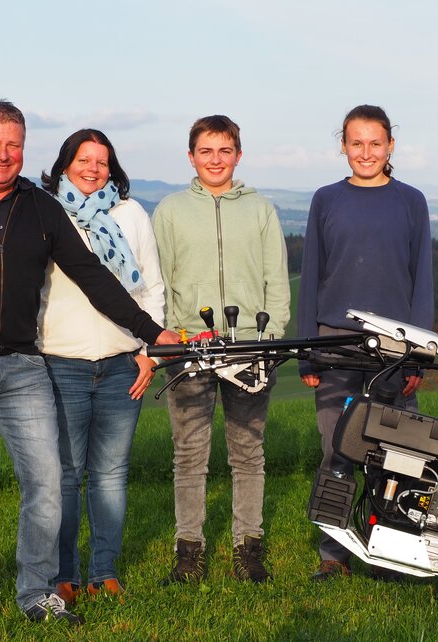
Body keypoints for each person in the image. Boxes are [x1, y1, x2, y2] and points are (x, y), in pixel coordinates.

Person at [0, 100, 180, 625]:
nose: (4, 155)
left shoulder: (41, 208)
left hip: (24, 364)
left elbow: (93, 277)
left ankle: (37, 591)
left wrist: (152, 332)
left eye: (14, 145)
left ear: (25, 147)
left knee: (47, 482)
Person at [297, 104, 434, 581]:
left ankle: (393, 551)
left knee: (397, 452)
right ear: (343, 146)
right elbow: (310, 275)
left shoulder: (411, 201)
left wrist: (421, 352)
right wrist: (306, 350)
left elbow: (423, 281)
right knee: (336, 448)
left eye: (376, 143)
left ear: (391, 146)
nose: (366, 152)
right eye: (357, 143)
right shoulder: (326, 199)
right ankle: (333, 555)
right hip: (333, 342)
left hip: (396, 345)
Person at [153, 115, 290, 584]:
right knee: (189, 455)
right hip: (191, 347)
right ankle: (188, 552)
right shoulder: (170, 210)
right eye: (206, 151)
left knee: (248, 452)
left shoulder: (261, 210)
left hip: (250, 345)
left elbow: (277, 280)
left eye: (225, 150)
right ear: (191, 156)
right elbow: (162, 280)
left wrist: (271, 342)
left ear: (238, 154)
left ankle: (247, 548)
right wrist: (166, 336)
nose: (216, 159)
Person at [37, 129, 165, 605]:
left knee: (111, 473)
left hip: (121, 364)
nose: (93, 169)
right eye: (83, 159)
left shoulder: (130, 215)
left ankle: (104, 570)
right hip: (62, 362)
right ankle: (63, 574)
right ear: (65, 164)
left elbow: (152, 287)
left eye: (102, 161)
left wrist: (149, 353)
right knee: (66, 475)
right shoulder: (46, 213)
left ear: (113, 169)